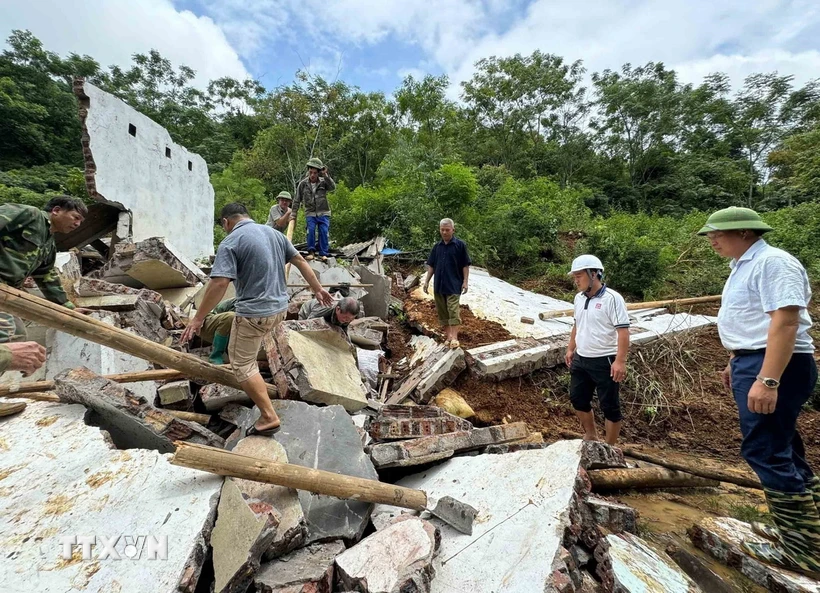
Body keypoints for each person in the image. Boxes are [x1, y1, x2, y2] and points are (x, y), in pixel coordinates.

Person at [699, 206, 820, 577]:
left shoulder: (773, 263)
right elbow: (753, 322)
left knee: (765, 449)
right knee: (783, 444)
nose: (712, 240)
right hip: (755, 359)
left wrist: (767, 379)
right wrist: (737, 360)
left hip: (777, 365)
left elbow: (785, 321)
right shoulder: (745, 265)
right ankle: (804, 533)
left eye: (717, 233)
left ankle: (804, 552)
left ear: (746, 233)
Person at [181, 203, 332, 437]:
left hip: (254, 314)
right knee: (248, 352)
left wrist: (198, 319)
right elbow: (301, 261)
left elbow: (220, 283)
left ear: (225, 222)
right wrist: (318, 289)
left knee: (242, 365)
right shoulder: (274, 233)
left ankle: (269, 416)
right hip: (279, 310)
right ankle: (259, 383)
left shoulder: (231, 241)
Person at [0, 196, 87, 376]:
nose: (78, 224)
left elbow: (46, 276)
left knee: (16, 334)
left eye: (81, 221)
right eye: (75, 217)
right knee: (4, 333)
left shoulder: (49, 245)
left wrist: (67, 307)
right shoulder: (28, 215)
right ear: (56, 211)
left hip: (8, 292)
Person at [563, 254, 630, 446]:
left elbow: (623, 331)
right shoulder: (578, 298)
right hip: (581, 359)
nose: (576, 280)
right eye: (574, 276)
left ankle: (609, 447)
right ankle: (591, 435)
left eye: (579, 276)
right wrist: (570, 348)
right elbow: (578, 323)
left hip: (605, 360)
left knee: (610, 407)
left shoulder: (613, 299)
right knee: (578, 399)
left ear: (594, 274)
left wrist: (620, 361)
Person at [422, 218, 471, 349]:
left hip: (454, 284)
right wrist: (426, 281)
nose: (444, 232)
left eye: (447, 230)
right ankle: (449, 337)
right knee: (442, 312)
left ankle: (455, 338)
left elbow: (465, 265)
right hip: (439, 285)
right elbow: (431, 265)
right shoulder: (437, 247)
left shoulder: (460, 246)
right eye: (442, 230)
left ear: (453, 230)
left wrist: (465, 282)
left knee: (453, 311)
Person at [290, 158, 335, 262]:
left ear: (318, 172)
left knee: (323, 231)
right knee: (310, 230)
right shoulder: (303, 184)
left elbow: (333, 187)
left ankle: (323, 253)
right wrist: (293, 213)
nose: (313, 175)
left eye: (315, 173)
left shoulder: (324, 182)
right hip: (310, 212)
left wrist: (325, 175)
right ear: (308, 172)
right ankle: (311, 252)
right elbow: (297, 199)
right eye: (311, 172)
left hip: (323, 211)